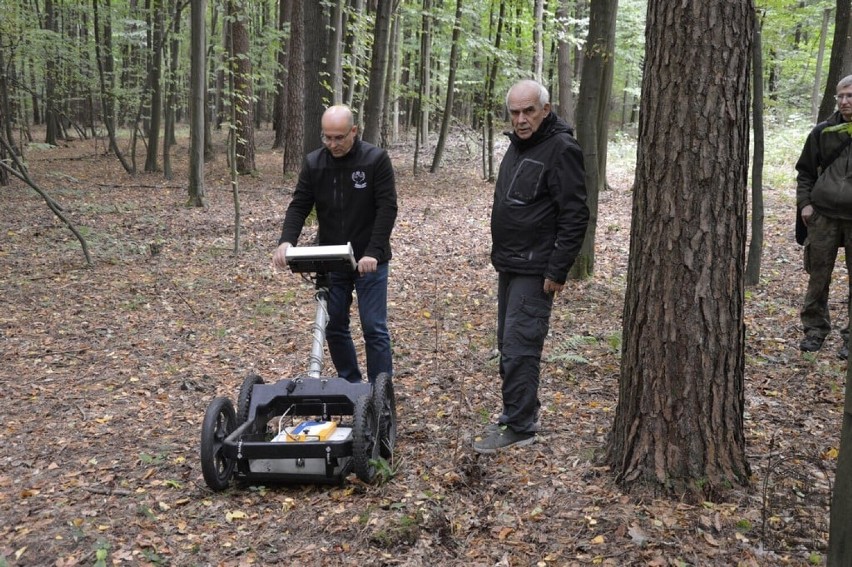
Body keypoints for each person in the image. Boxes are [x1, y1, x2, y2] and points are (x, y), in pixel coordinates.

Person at [473, 80, 589, 454]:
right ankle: (519, 413)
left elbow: (575, 214)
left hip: (535, 268)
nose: (521, 119)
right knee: (507, 345)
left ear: (546, 109)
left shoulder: (561, 149)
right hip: (510, 264)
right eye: (515, 112)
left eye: (529, 111)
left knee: (521, 345)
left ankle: (520, 425)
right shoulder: (520, 147)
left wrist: (558, 270)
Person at [272, 105, 397, 383]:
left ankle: (380, 391)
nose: (332, 144)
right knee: (334, 326)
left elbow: (387, 208)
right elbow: (299, 205)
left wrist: (373, 252)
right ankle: (351, 385)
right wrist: (286, 241)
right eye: (327, 137)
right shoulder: (315, 163)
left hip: (369, 259)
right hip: (331, 258)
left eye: (339, 137)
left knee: (374, 327)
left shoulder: (375, 160)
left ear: (354, 131)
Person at [796, 74, 852, 360]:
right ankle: (814, 331)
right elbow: (805, 171)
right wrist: (805, 203)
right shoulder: (823, 131)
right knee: (818, 276)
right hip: (823, 216)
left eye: (850, 96)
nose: (844, 101)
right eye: (840, 96)